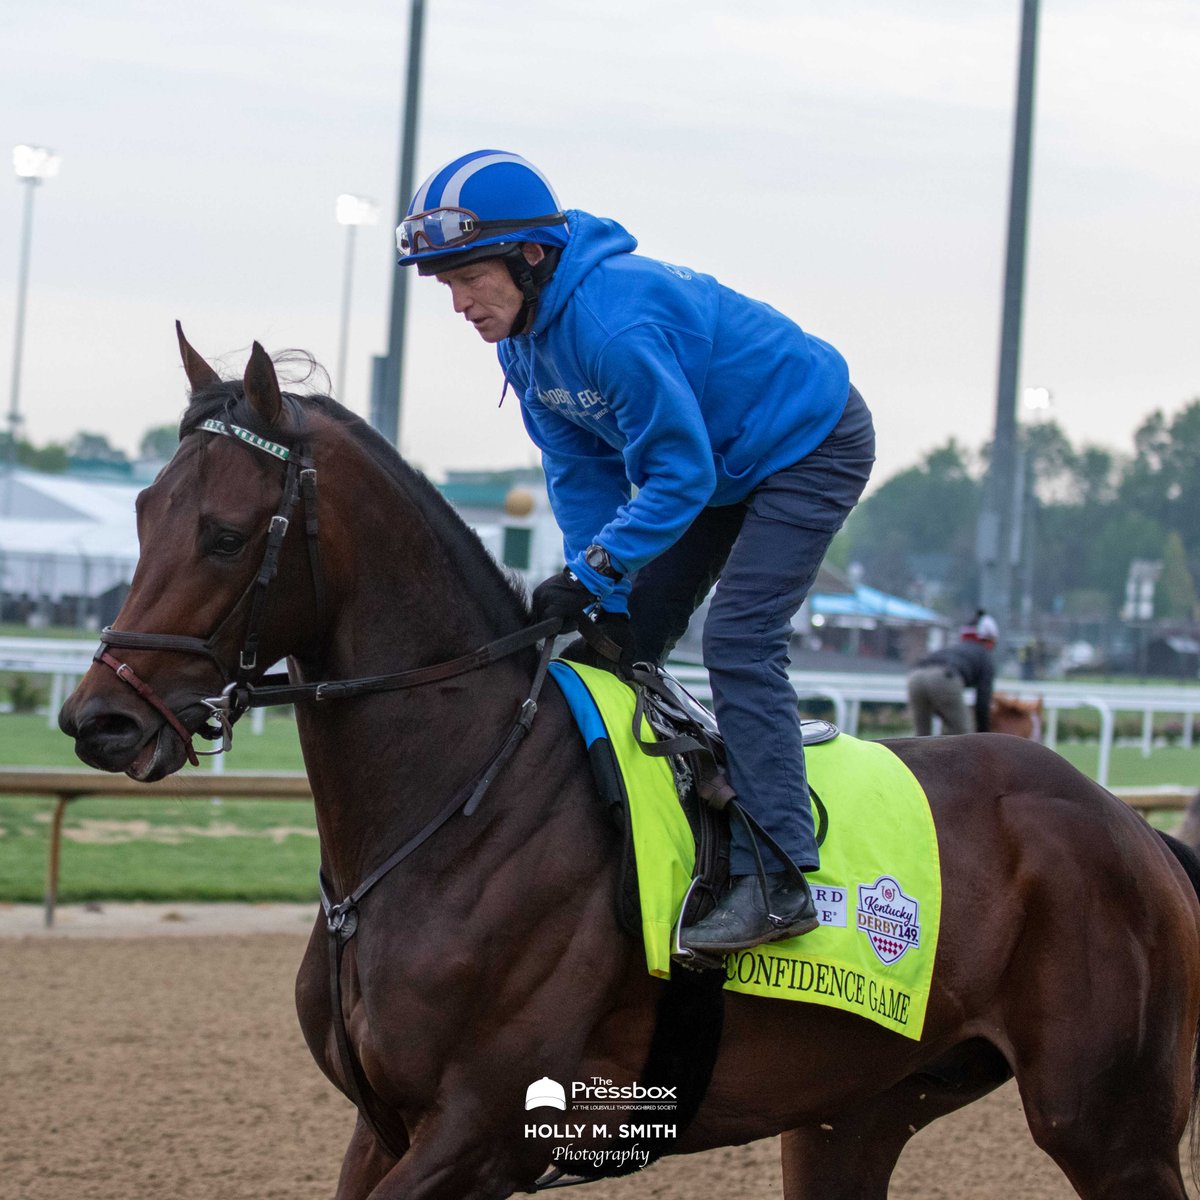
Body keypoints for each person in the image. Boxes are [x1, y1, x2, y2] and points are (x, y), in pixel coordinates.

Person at [397, 149, 875, 955]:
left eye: (468, 277)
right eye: (445, 285)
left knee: (739, 639)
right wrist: (600, 588)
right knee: (613, 642)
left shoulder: (611, 326)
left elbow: (678, 476)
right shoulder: (524, 344)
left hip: (807, 443)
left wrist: (592, 572)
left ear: (531, 257)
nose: (458, 304)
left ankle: (783, 872)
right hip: (715, 467)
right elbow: (582, 476)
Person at [906, 613, 998, 736]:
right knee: (964, 737)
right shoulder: (984, 656)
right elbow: (983, 701)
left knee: (920, 737)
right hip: (944, 677)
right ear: (989, 640)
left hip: (915, 676)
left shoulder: (955, 648)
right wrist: (984, 734)